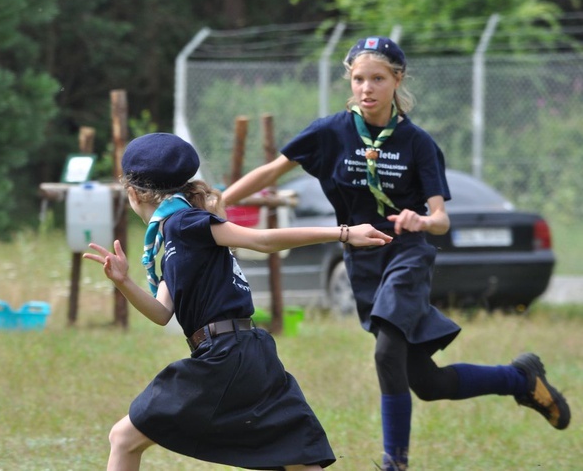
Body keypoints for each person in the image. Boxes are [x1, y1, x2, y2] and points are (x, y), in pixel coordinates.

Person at [221, 36, 571, 470]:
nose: (367, 88)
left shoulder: (417, 142)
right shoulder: (331, 131)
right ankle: (520, 378)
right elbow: (273, 169)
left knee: (387, 353)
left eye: (378, 78)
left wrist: (422, 221)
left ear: (397, 80)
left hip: (407, 253)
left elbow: (441, 218)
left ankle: (395, 463)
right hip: (362, 257)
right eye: (359, 78)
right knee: (428, 381)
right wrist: (221, 203)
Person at [83, 132, 394, 471]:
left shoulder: (187, 223)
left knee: (123, 438)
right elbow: (161, 313)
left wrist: (344, 233)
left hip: (226, 355)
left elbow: (261, 240)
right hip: (247, 353)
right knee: (299, 462)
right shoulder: (176, 234)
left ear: (134, 193)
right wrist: (124, 282)